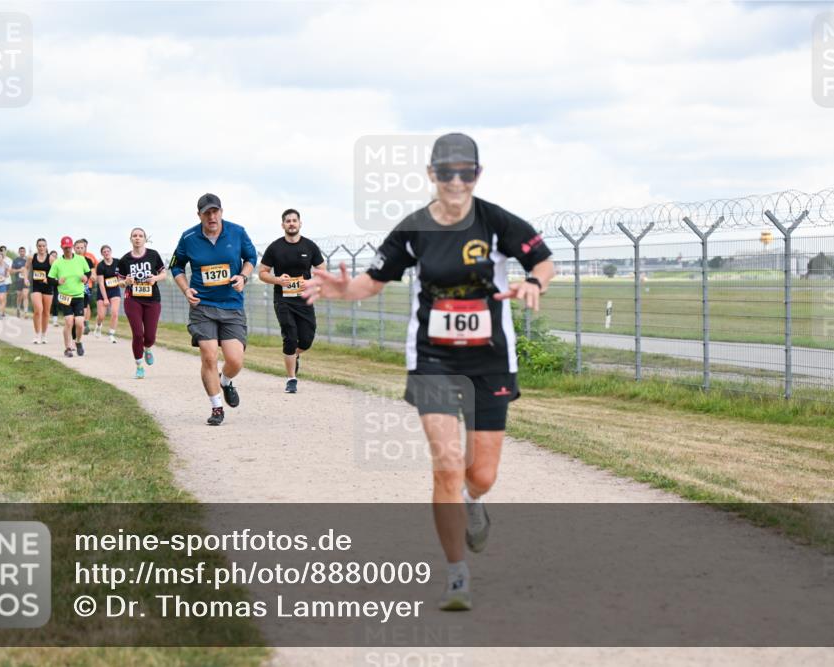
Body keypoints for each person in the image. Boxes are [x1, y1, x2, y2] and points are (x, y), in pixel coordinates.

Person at [304, 133, 555, 611]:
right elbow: (372, 282)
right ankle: (457, 572)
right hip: (433, 359)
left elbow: (543, 261)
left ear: (477, 176)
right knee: (444, 463)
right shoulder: (414, 228)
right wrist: (342, 290)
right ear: (431, 175)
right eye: (446, 172)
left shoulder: (496, 221)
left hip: (490, 360)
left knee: (481, 473)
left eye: (466, 172)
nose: (456, 181)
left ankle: (472, 499)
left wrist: (533, 282)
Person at [171, 193, 257, 426]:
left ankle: (226, 381)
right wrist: (186, 289)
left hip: (231, 305)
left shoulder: (237, 232)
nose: (212, 216)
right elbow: (176, 266)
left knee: (235, 360)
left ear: (221, 211)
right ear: (198, 215)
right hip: (203, 305)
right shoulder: (188, 237)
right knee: (209, 356)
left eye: (215, 211)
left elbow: (251, 257)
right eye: (206, 212)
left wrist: (243, 276)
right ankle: (217, 407)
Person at [258, 208, 325, 393]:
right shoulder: (275, 247)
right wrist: (278, 280)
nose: (291, 223)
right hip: (283, 300)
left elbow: (322, 272)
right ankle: (291, 379)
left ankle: (295, 355)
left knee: (306, 339)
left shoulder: (310, 247)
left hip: (304, 299)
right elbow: (262, 273)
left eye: (294, 220)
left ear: (300, 223)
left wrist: (310, 282)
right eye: (288, 221)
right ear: (283, 225)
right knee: (290, 336)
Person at [117, 229, 166, 379]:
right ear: (130, 239)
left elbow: (164, 274)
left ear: (145, 239)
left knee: (150, 336)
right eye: (134, 236)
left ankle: (148, 348)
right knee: (138, 334)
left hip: (152, 299)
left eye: (140, 236)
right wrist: (126, 281)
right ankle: (139, 366)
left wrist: (155, 279)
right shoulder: (125, 259)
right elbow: (119, 282)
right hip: (133, 299)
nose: (137, 238)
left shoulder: (153, 255)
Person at [47, 236, 91, 357]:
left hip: (78, 295)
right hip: (65, 296)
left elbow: (88, 272)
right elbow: (49, 279)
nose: (67, 249)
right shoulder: (57, 263)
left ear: (72, 247)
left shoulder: (81, 260)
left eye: (69, 247)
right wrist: (57, 282)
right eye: (65, 247)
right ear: (61, 247)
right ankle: (67, 348)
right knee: (68, 321)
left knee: (80, 322)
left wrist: (85, 277)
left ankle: (78, 342)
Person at [94, 244, 122, 342]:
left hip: (114, 290)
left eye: (108, 251)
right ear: (102, 254)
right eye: (104, 252)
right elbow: (101, 283)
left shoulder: (118, 262)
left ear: (111, 252)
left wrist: (122, 281)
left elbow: (121, 274)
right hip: (103, 291)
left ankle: (111, 334)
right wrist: (105, 298)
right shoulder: (100, 266)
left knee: (114, 313)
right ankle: (98, 326)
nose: (106, 253)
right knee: (101, 315)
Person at [28, 238, 53, 344]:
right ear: (36, 246)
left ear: (46, 247)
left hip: (47, 287)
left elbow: (56, 272)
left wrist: (49, 278)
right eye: (39, 246)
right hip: (35, 286)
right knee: (38, 309)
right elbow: (26, 268)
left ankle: (43, 335)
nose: (42, 248)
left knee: (46, 312)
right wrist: (25, 278)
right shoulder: (32, 257)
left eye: (43, 246)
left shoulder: (51, 258)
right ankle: (37, 335)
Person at [74, 239, 97, 336]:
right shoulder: (69, 259)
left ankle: (82, 324)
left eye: (81, 248)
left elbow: (94, 274)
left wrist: (93, 276)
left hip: (86, 286)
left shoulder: (88, 259)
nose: (79, 250)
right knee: (74, 305)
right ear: (73, 248)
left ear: (85, 248)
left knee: (84, 305)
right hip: (72, 286)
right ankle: (77, 323)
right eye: (77, 248)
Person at [11, 246, 30, 318]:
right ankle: (18, 309)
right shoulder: (16, 260)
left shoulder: (28, 260)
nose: (22, 253)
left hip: (26, 280)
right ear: (19, 252)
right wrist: (19, 270)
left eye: (23, 251)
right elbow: (12, 271)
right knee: (19, 296)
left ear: (25, 252)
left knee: (25, 295)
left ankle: (26, 312)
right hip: (18, 280)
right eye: (21, 251)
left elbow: (30, 269)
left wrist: (26, 274)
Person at [48, 250, 60, 326]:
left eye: (55, 256)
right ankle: (45, 317)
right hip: (47, 285)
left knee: (55, 303)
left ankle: (55, 320)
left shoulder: (59, 265)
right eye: (53, 255)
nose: (54, 257)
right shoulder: (47, 265)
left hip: (56, 285)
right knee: (47, 303)